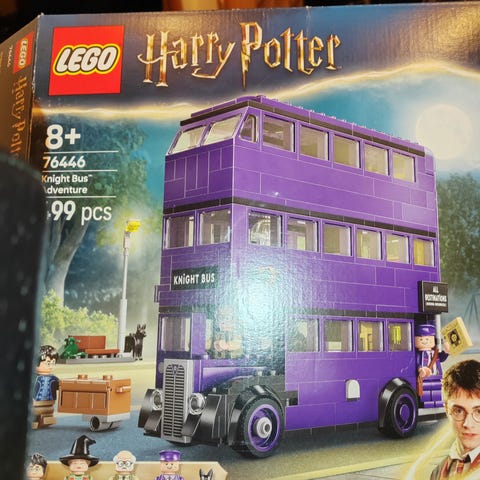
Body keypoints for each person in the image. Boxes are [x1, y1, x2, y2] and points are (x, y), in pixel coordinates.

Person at [430, 359, 480, 479]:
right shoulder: (438, 472)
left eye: (479, 412)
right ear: (447, 410)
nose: (467, 424)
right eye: (459, 411)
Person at [32, 345, 59, 429]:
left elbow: (60, 386)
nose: (50, 366)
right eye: (48, 363)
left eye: (53, 363)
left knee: (48, 412)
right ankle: (34, 421)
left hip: (49, 402)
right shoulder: (34, 378)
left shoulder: (54, 378)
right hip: (35, 402)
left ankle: (46, 420)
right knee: (35, 412)